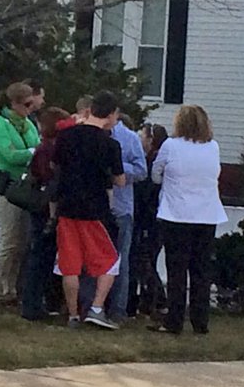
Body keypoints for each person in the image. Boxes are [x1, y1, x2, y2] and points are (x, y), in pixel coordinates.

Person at [51, 91, 126, 329]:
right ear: (111, 114)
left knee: (69, 263)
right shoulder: (110, 144)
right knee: (109, 260)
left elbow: (55, 164)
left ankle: (73, 314)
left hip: (67, 205)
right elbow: (120, 179)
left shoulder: (66, 136)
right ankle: (96, 308)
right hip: (95, 209)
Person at [150, 105, 227, 335]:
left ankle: (174, 320)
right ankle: (200, 321)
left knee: (176, 270)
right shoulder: (213, 147)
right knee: (201, 270)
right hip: (206, 215)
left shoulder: (171, 146)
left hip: (177, 214)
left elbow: (156, 174)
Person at [0, 82, 41, 304]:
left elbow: (35, 147)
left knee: (23, 241)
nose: (30, 108)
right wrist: (32, 152)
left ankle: (11, 289)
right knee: (9, 239)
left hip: (25, 187)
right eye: (27, 104)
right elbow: (9, 156)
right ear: (13, 103)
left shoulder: (28, 124)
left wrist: (31, 152)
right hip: (6, 186)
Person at [21, 106, 72, 321]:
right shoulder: (51, 151)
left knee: (39, 255)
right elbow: (52, 179)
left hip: (38, 205)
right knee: (42, 256)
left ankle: (33, 301)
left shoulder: (42, 149)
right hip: (46, 208)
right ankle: (32, 304)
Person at [108, 112, 148, 323]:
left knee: (120, 260)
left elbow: (142, 171)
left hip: (121, 206)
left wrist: (118, 168)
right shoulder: (94, 133)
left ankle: (118, 310)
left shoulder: (129, 138)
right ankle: (91, 307)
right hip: (96, 205)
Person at [128, 124, 168, 317]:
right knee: (147, 261)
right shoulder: (154, 162)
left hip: (150, 220)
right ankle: (153, 301)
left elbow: (146, 195)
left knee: (144, 260)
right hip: (155, 219)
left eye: (142, 136)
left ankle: (156, 300)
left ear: (151, 140)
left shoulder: (152, 165)